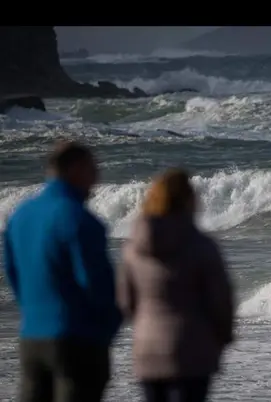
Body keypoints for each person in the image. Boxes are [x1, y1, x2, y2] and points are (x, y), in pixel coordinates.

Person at [3, 141, 122, 402]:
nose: (96, 178)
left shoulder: (20, 216)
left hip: (32, 339)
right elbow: (97, 285)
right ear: (76, 169)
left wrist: (34, 314)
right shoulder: (79, 219)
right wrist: (108, 329)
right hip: (76, 340)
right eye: (93, 169)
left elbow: (12, 272)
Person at [117, 168, 235, 402]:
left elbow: (125, 302)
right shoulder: (202, 246)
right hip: (192, 351)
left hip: (148, 350)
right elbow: (220, 301)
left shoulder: (133, 249)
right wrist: (223, 338)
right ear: (188, 200)